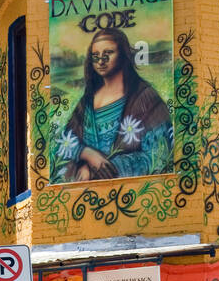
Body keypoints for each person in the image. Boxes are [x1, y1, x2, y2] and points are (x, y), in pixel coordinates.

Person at [52, 27, 173, 181]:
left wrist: (102, 169)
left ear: (123, 54)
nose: (101, 61)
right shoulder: (86, 103)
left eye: (108, 53)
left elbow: (160, 156)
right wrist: (87, 154)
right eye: (95, 55)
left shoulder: (145, 98)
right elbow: (62, 146)